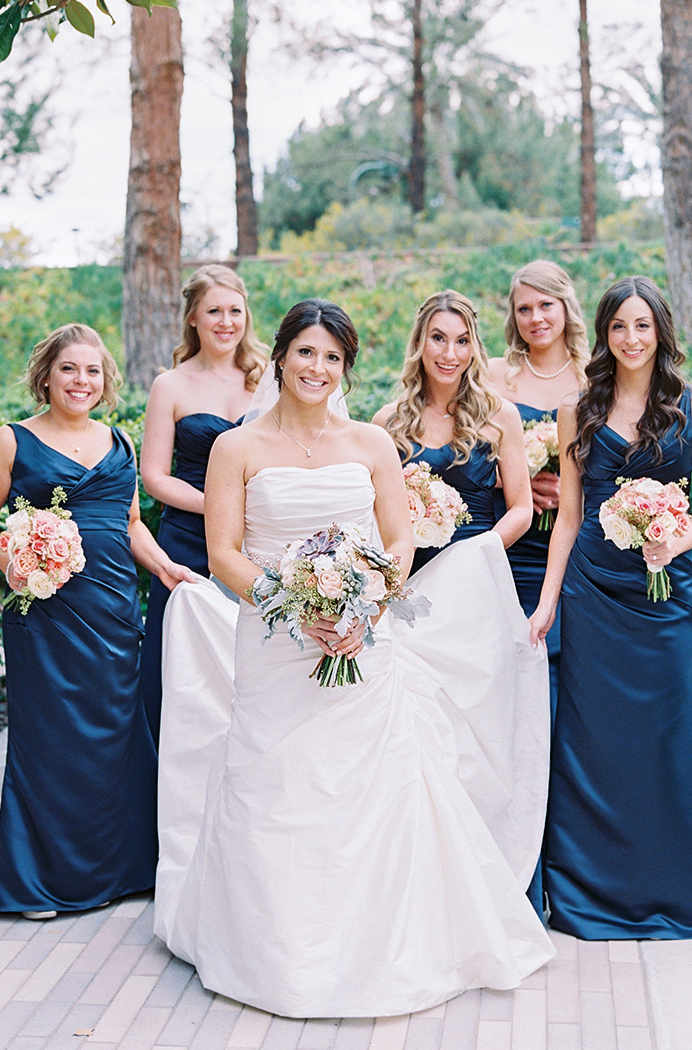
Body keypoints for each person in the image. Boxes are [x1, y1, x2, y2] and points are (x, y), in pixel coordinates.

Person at [154, 299, 554, 1018]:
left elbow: (397, 542)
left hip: (364, 640)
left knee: (372, 785)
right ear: (280, 358)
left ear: (346, 368)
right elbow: (222, 554)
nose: (318, 368)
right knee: (276, 782)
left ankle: (378, 946)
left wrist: (362, 606)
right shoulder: (236, 449)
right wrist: (296, 605)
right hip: (275, 639)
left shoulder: (371, 443)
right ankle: (271, 949)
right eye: (306, 352)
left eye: (333, 357)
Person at [530, 277, 692, 940]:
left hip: (662, 596)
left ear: (660, 330)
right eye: (619, 327)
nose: (631, 339)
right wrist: (547, 604)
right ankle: (587, 893)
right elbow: (569, 517)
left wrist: (673, 538)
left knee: (665, 735)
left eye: (642, 326)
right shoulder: (579, 409)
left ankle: (680, 886)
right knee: (592, 741)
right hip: (593, 592)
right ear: (603, 333)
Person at [0, 323, 195, 920]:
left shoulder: (119, 442)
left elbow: (132, 524)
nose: (81, 381)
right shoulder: (11, 440)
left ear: (105, 381)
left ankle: (123, 871)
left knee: (117, 737)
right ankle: (39, 883)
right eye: (69, 369)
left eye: (92, 371)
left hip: (115, 610)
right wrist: (17, 564)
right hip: (44, 614)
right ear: (46, 375)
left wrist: (166, 568)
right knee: (49, 741)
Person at [139, 265, 268, 747]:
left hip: (255, 542)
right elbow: (154, 476)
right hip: (187, 542)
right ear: (193, 316)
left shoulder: (267, 379)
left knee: (246, 665)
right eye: (214, 310)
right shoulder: (170, 385)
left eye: (235, 310)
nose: (226, 321)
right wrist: (218, 506)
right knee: (181, 667)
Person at [373, 289, 532, 576]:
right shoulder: (388, 422)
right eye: (438, 338)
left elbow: (521, 509)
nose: (450, 354)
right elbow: (373, 515)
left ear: (473, 348)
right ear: (419, 342)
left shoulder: (500, 416)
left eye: (462, 341)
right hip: (409, 576)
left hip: (477, 573)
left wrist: (481, 553)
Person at [490, 260, 590, 711]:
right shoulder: (494, 377)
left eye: (545, 304)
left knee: (578, 668)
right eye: (524, 308)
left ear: (566, 306)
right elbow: (465, 458)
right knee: (519, 659)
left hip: (581, 544)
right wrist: (517, 480)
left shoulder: (596, 376)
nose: (536, 318)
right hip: (518, 545)